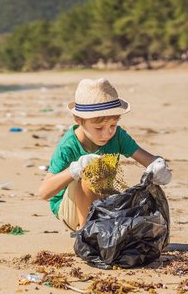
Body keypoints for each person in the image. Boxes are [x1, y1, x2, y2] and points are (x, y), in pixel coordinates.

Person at [37, 77, 172, 231]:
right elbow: (44, 192)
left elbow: (148, 159)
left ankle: (101, 227)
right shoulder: (68, 146)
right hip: (71, 209)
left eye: (112, 125)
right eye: (99, 128)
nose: (107, 133)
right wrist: (74, 169)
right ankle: (86, 232)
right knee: (90, 175)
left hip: (103, 199)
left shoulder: (118, 136)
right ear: (79, 120)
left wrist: (159, 165)